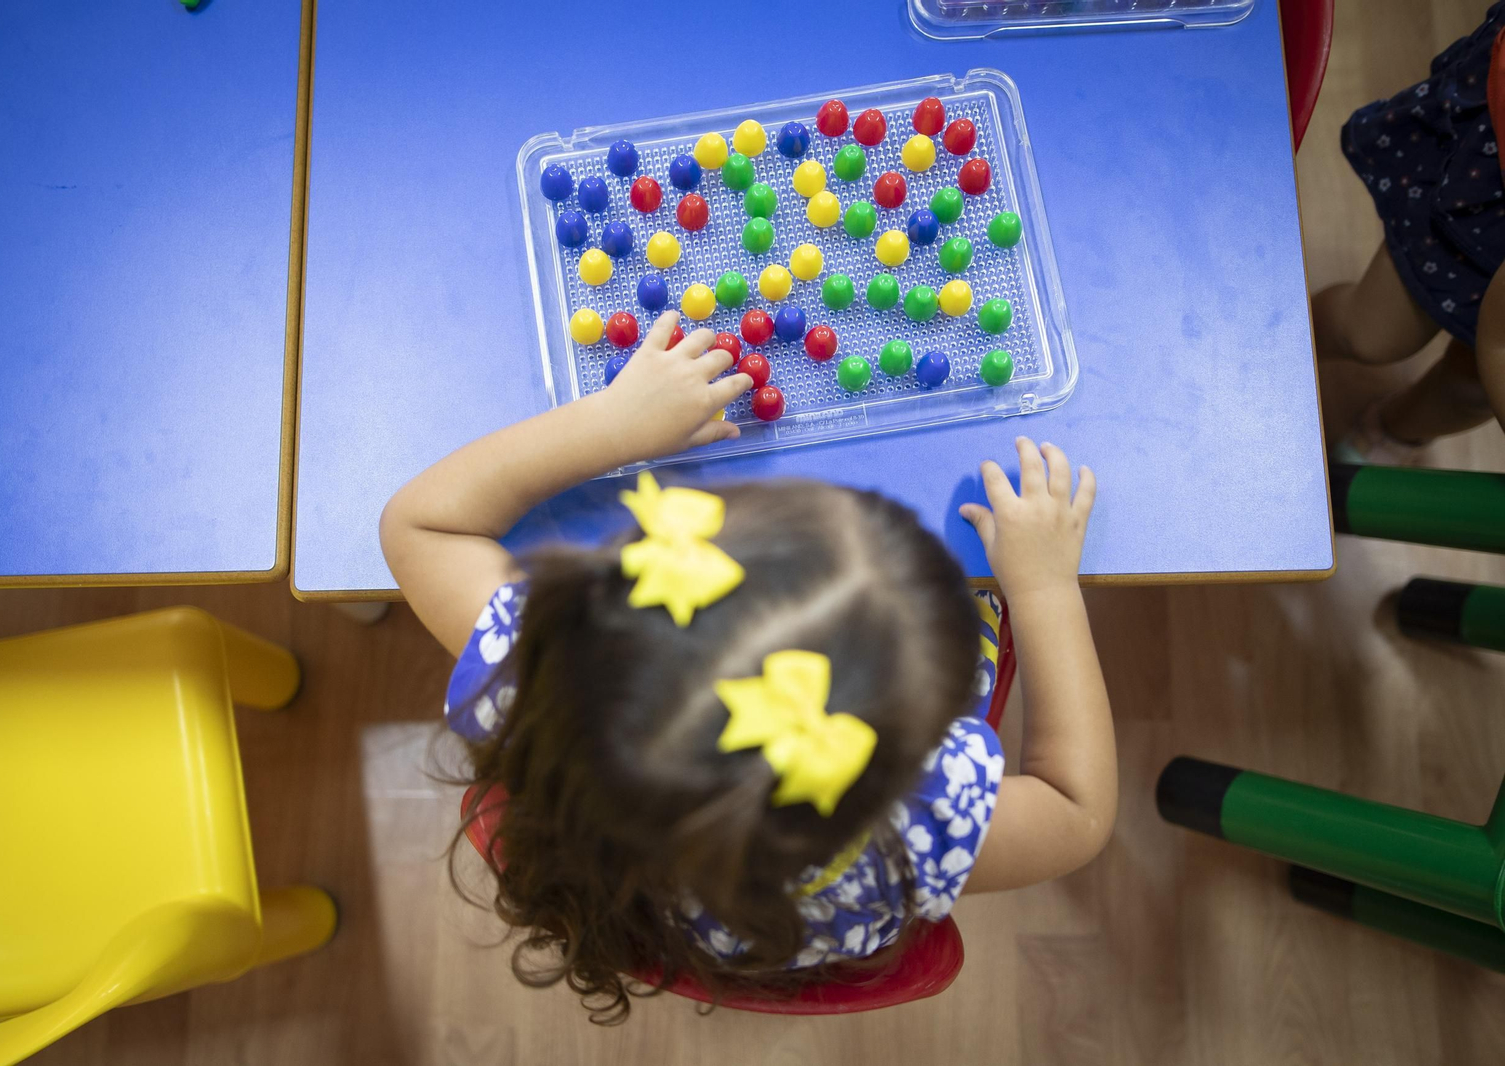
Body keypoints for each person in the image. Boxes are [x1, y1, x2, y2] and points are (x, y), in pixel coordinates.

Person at [380, 312, 1115, 1022]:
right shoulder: (912, 815)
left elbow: (420, 523)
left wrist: (613, 425)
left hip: (653, 912)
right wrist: (1044, 585)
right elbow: (1075, 812)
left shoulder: (553, 676)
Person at [1316, 4, 1505, 460]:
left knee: (1471, 387)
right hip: (1488, 194)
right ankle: (1278, 343)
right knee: (1370, 333)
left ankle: (1388, 434)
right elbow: (1501, 339)